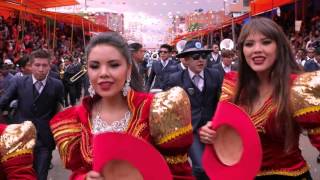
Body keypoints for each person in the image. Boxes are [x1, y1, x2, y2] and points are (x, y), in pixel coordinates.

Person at [50, 32, 194, 180]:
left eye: (114, 65)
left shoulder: (155, 109)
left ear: (129, 69)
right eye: (95, 66)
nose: (103, 73)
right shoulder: (76, 118)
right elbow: (78, 171)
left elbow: (180, 174)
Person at [200, 17, 320, 179]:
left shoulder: (298, 86)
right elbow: (224, 128)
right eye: (249, 44)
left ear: (279, 47)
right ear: (242, 50)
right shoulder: (233, 84)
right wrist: (210, 131)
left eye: (266, 42)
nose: (256, 49)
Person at [0, 49, 65, 180]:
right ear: (31, 65)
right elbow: (2, 103)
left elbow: (59, 111)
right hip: (19, 140)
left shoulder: (57, 85)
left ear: (49, 65)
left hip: (45, 140)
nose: (41, 69)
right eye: (37, 65)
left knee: (41, 176)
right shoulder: (19, 82)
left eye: (44, 65)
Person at [164, 40, 222, 180]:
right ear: (186, 60)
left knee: (218, 164)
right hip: (191, 130)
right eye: (196, 57)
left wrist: (218, 122)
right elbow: (169, 107)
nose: (201, 60)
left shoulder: (215, 75)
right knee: (201, 167)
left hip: (214, 127)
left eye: (203, 56)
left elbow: (223, 101)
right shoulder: (175, 79)